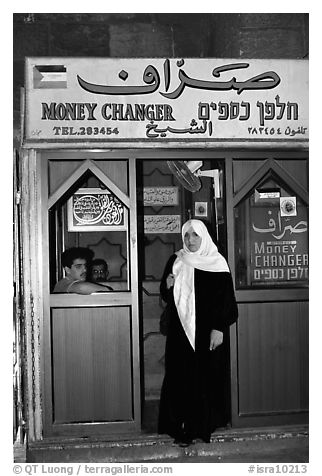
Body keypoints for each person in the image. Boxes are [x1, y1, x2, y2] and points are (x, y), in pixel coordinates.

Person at [158, 219, 238, 446]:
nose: (190, 240)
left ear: (204, 237)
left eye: (195, 235)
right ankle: (178, 427)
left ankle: (200, 427)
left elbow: (226, 301)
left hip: (207, 332)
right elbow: (165, 296)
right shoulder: (176, 259)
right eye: (186, 236)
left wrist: (219, 329)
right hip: (179, 331)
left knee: (204, 377)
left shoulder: (216, 262)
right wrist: (167, 285)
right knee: (178, 376)